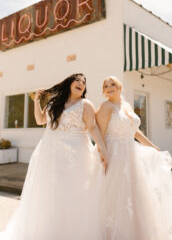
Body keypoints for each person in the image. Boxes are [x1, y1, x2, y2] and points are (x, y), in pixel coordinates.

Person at [0, 73, 107, 240]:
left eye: (84, 82)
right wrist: (36, 101)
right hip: (49, 152)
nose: (81, 83)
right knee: (49, 193)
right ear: (69, 83)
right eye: (77, 80)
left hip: (76, 154)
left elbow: (93, 128)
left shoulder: (85, 104)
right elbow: (40, 120)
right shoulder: (55, 103)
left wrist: (102, 149)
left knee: (73, 193)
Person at [96, 76, 172, 240]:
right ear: (103, 91)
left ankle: (139, 231)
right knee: (116, 194)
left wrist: (152, 146)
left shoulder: (126, 105)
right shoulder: (105, 106)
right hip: (115, 155)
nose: (109, 87)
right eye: (106, 85)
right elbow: (100, 134)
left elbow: (135, 131)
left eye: (112, 84)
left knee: (137, 193)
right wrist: (103, 156)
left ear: (119, 87)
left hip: (131, 154)